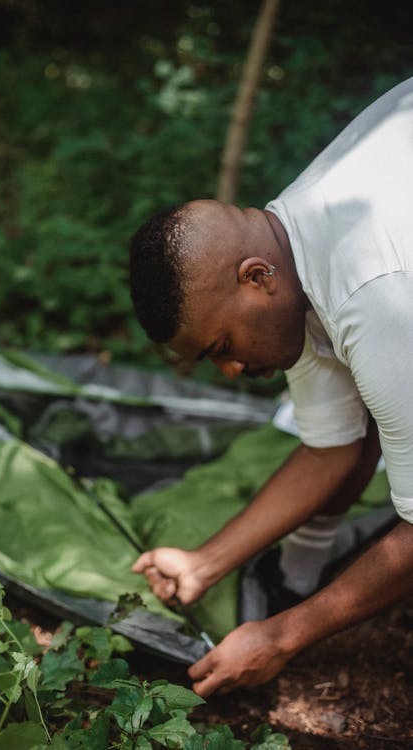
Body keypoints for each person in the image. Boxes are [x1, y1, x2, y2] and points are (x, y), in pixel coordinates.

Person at [127, 77, 413, 697]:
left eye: (222, 348)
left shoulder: (372, 292)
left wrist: (283, 636)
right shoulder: (288, 256)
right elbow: (332, 446)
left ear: (256, 279)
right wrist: (204, 564)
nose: (230, 370)